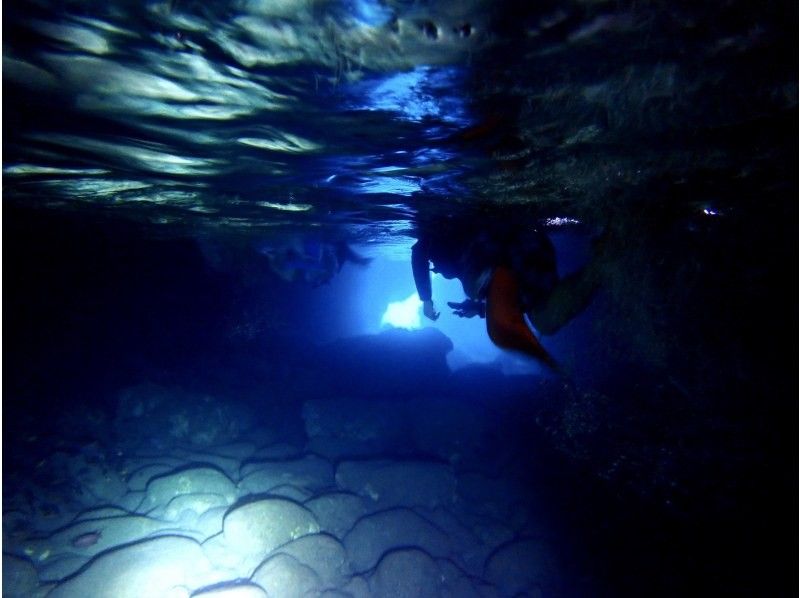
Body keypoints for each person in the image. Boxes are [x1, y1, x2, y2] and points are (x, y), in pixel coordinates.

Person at [412, 215, 601, 368]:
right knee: (545, 321)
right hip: (529, 253)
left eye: (434, 266)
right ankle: (601, 265)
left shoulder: (447, 241)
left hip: (517, 246)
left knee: (474, 287)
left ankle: (600, 266)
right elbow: (512, 298)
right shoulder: (465, 264)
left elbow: (419, 250)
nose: (435, 267)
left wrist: (426, 299)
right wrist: (481, 308)